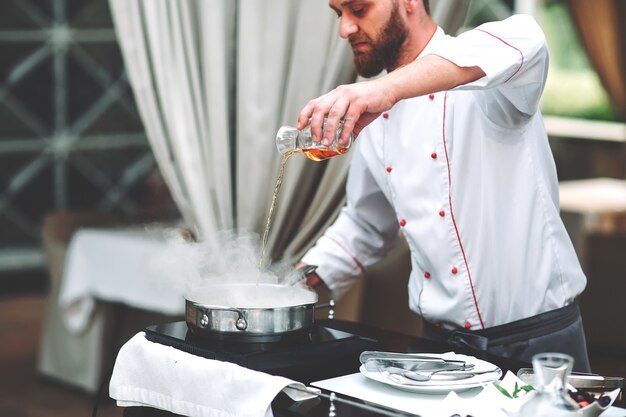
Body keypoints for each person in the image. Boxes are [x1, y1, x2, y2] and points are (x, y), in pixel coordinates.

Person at [296, 0, 591, 372]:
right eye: (339, 14)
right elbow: (365, 226)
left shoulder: (492, 73)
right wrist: (293, 284)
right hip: (438, 351)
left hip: (538, 343)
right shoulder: (372, 116)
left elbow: (528, 38)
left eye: (358, 8)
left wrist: (385, 89)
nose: (345, 29)